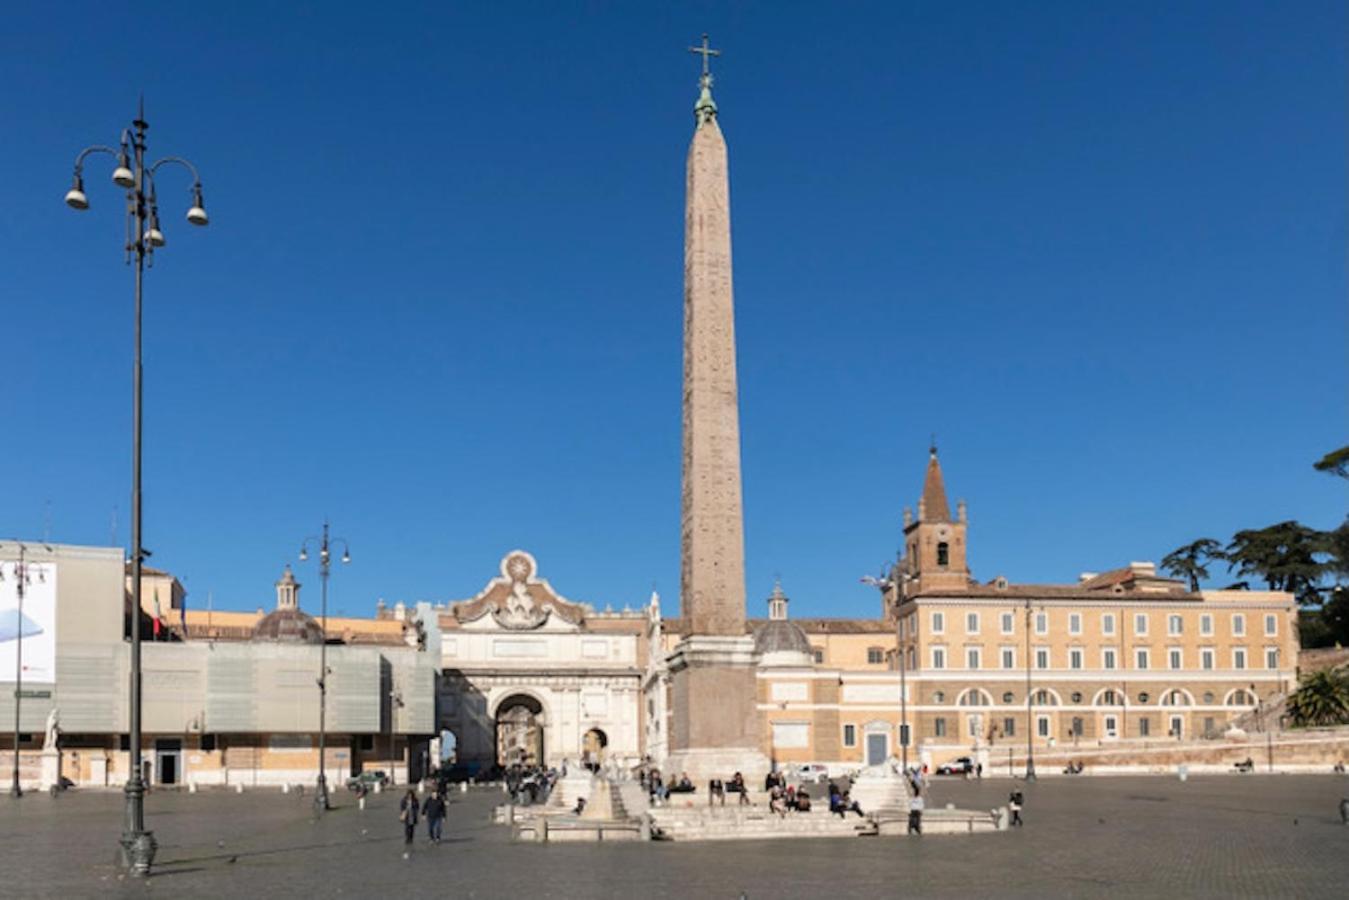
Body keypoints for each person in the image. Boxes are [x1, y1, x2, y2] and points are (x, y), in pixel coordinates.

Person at [399, 789, 420, 857]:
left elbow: (417, 807)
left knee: (412, 827)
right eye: (409, 795)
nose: (410, 796)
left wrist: (414, 809)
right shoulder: (404, 800)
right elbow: (402, 806)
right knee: (407, 827)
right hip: (407, 815)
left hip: (412, 815)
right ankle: (407, 838)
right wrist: (403, 812)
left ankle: (411, 837)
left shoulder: (415, 800)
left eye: (411, 795)